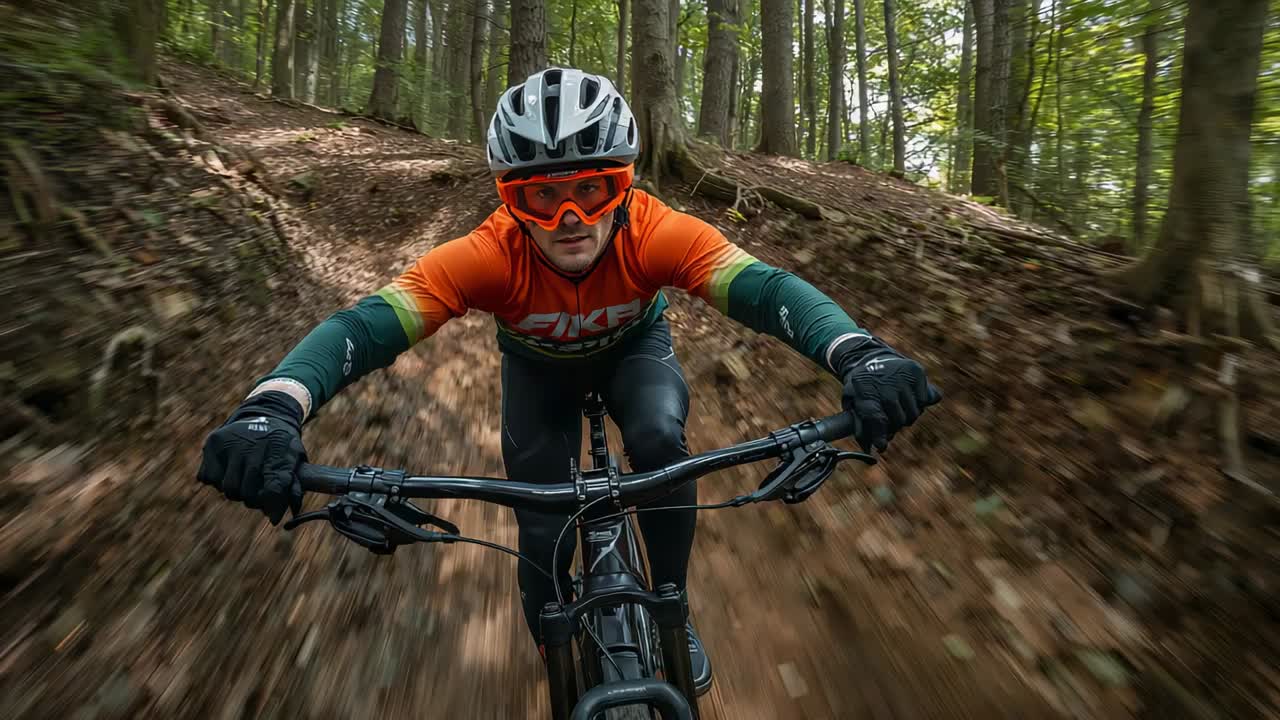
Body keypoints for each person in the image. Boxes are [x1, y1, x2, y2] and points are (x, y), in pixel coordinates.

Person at [196, 67, 941, 694]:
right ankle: (557, 656)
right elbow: (366, 327)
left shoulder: (657, 231)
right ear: (508, 201)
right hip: (538, 376)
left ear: (626, 185)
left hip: (633, 356)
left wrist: (858, 353)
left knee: (659, 441)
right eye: (540, 198)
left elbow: (765, 289)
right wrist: (273, 408)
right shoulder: (487, 254)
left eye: (593, 190)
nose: (570, 219)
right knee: (541, 523)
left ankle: (672, 604)